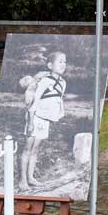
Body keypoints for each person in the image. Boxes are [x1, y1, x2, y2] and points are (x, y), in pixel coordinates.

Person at [19, 51, 67, 191]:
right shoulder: (45, 81)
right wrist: (30, 123)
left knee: (36, 149)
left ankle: (31, 177)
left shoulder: (63, 83)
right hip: (35, 118)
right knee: (28, 149)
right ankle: (23, 180)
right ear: (50, 65)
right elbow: (34, 102)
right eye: (60, 62)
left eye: (65, 61)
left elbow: (57, 102)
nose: (63, 64)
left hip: (45, 120)